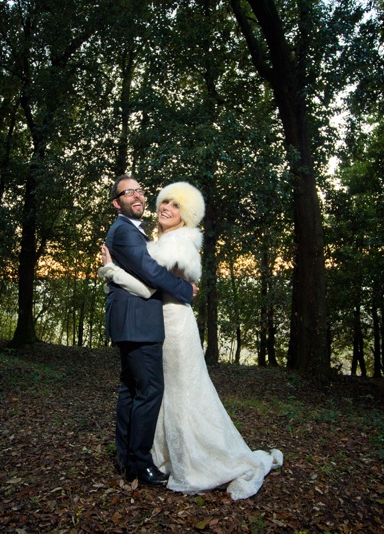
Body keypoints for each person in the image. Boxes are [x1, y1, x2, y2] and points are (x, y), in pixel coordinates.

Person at [99, 181, 283, 500]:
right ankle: (145, 457)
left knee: (174, 389)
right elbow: (147, 278)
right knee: (153, 389)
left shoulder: (176, 243)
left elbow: (151, 279)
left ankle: (173, 457)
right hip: (157, 320)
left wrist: (112, 270)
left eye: (175, 206)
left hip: (171, 321)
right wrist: (112, 271)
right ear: (117, 203)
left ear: (186, 216)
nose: (166, 208)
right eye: (165, 202)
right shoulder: (152, 238)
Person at [103, 174, 196, 487]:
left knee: (131, 389)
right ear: (117, 203)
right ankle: (140, 465)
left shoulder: (133, 232)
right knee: (150, 389)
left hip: (133, 323)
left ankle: (127, 458)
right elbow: (151, 272)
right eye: (128, 193)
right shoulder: (125, 232)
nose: (137, 196)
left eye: (140, 190)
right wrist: (185, 290)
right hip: (138, 323)